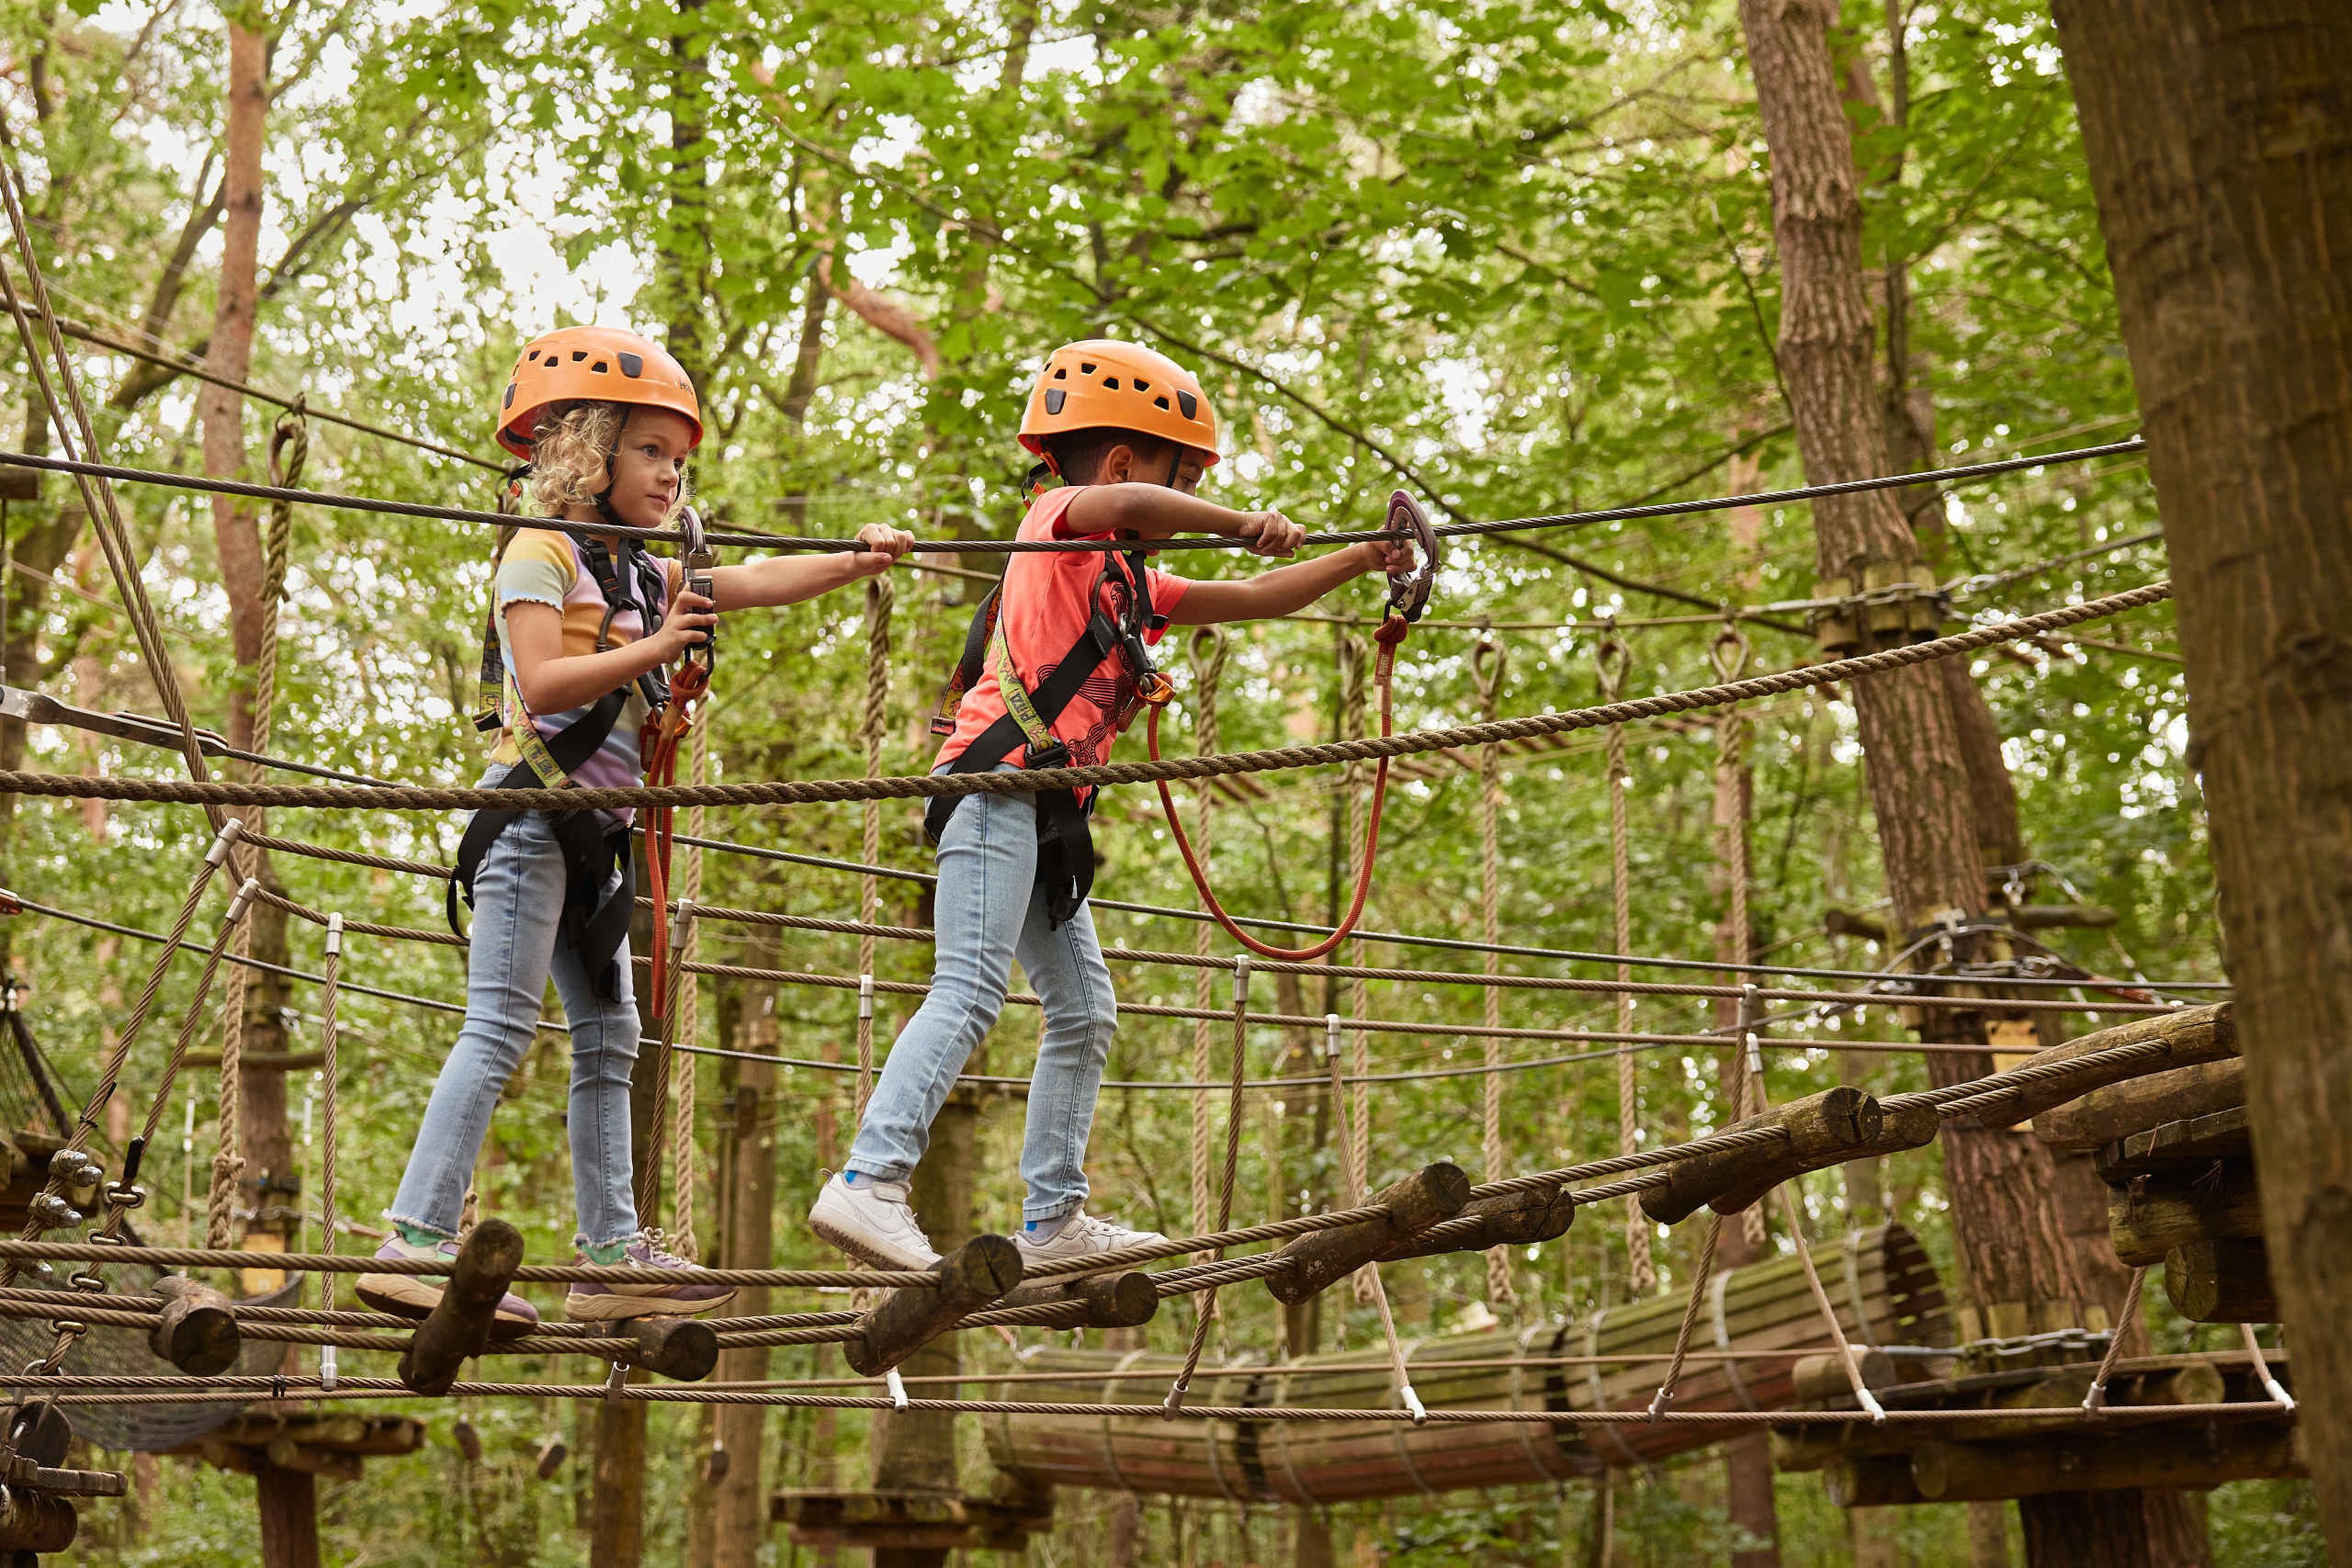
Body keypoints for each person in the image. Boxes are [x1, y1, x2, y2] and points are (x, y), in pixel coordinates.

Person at [808, 339, 1415, 1273]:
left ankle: (1053, 1221)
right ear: (1128, 462)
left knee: (1087, 1012)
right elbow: (1131, 509)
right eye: (1181, 478)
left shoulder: (1131, 584)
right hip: (993, 787)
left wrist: (1362, 559)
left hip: (1051, 817)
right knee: (969, 991)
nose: (1177, 507)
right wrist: (1240, 518)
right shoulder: (1058, 519)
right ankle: (869, 1181)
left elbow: (1255, 599)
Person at [359, 325, 912, 1328]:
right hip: (531, 823)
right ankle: (416, 1240)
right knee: (501, 1027)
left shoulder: (633, 571)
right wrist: (654, 645)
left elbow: (749, 584)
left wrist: (856, 561)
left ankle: (609, 1255)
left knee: (613, 1034)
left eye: (680, 460)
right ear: (590, 448)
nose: (671, 476)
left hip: (594, 844)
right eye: (651, 452)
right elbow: (542, 680)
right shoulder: (540, 553)